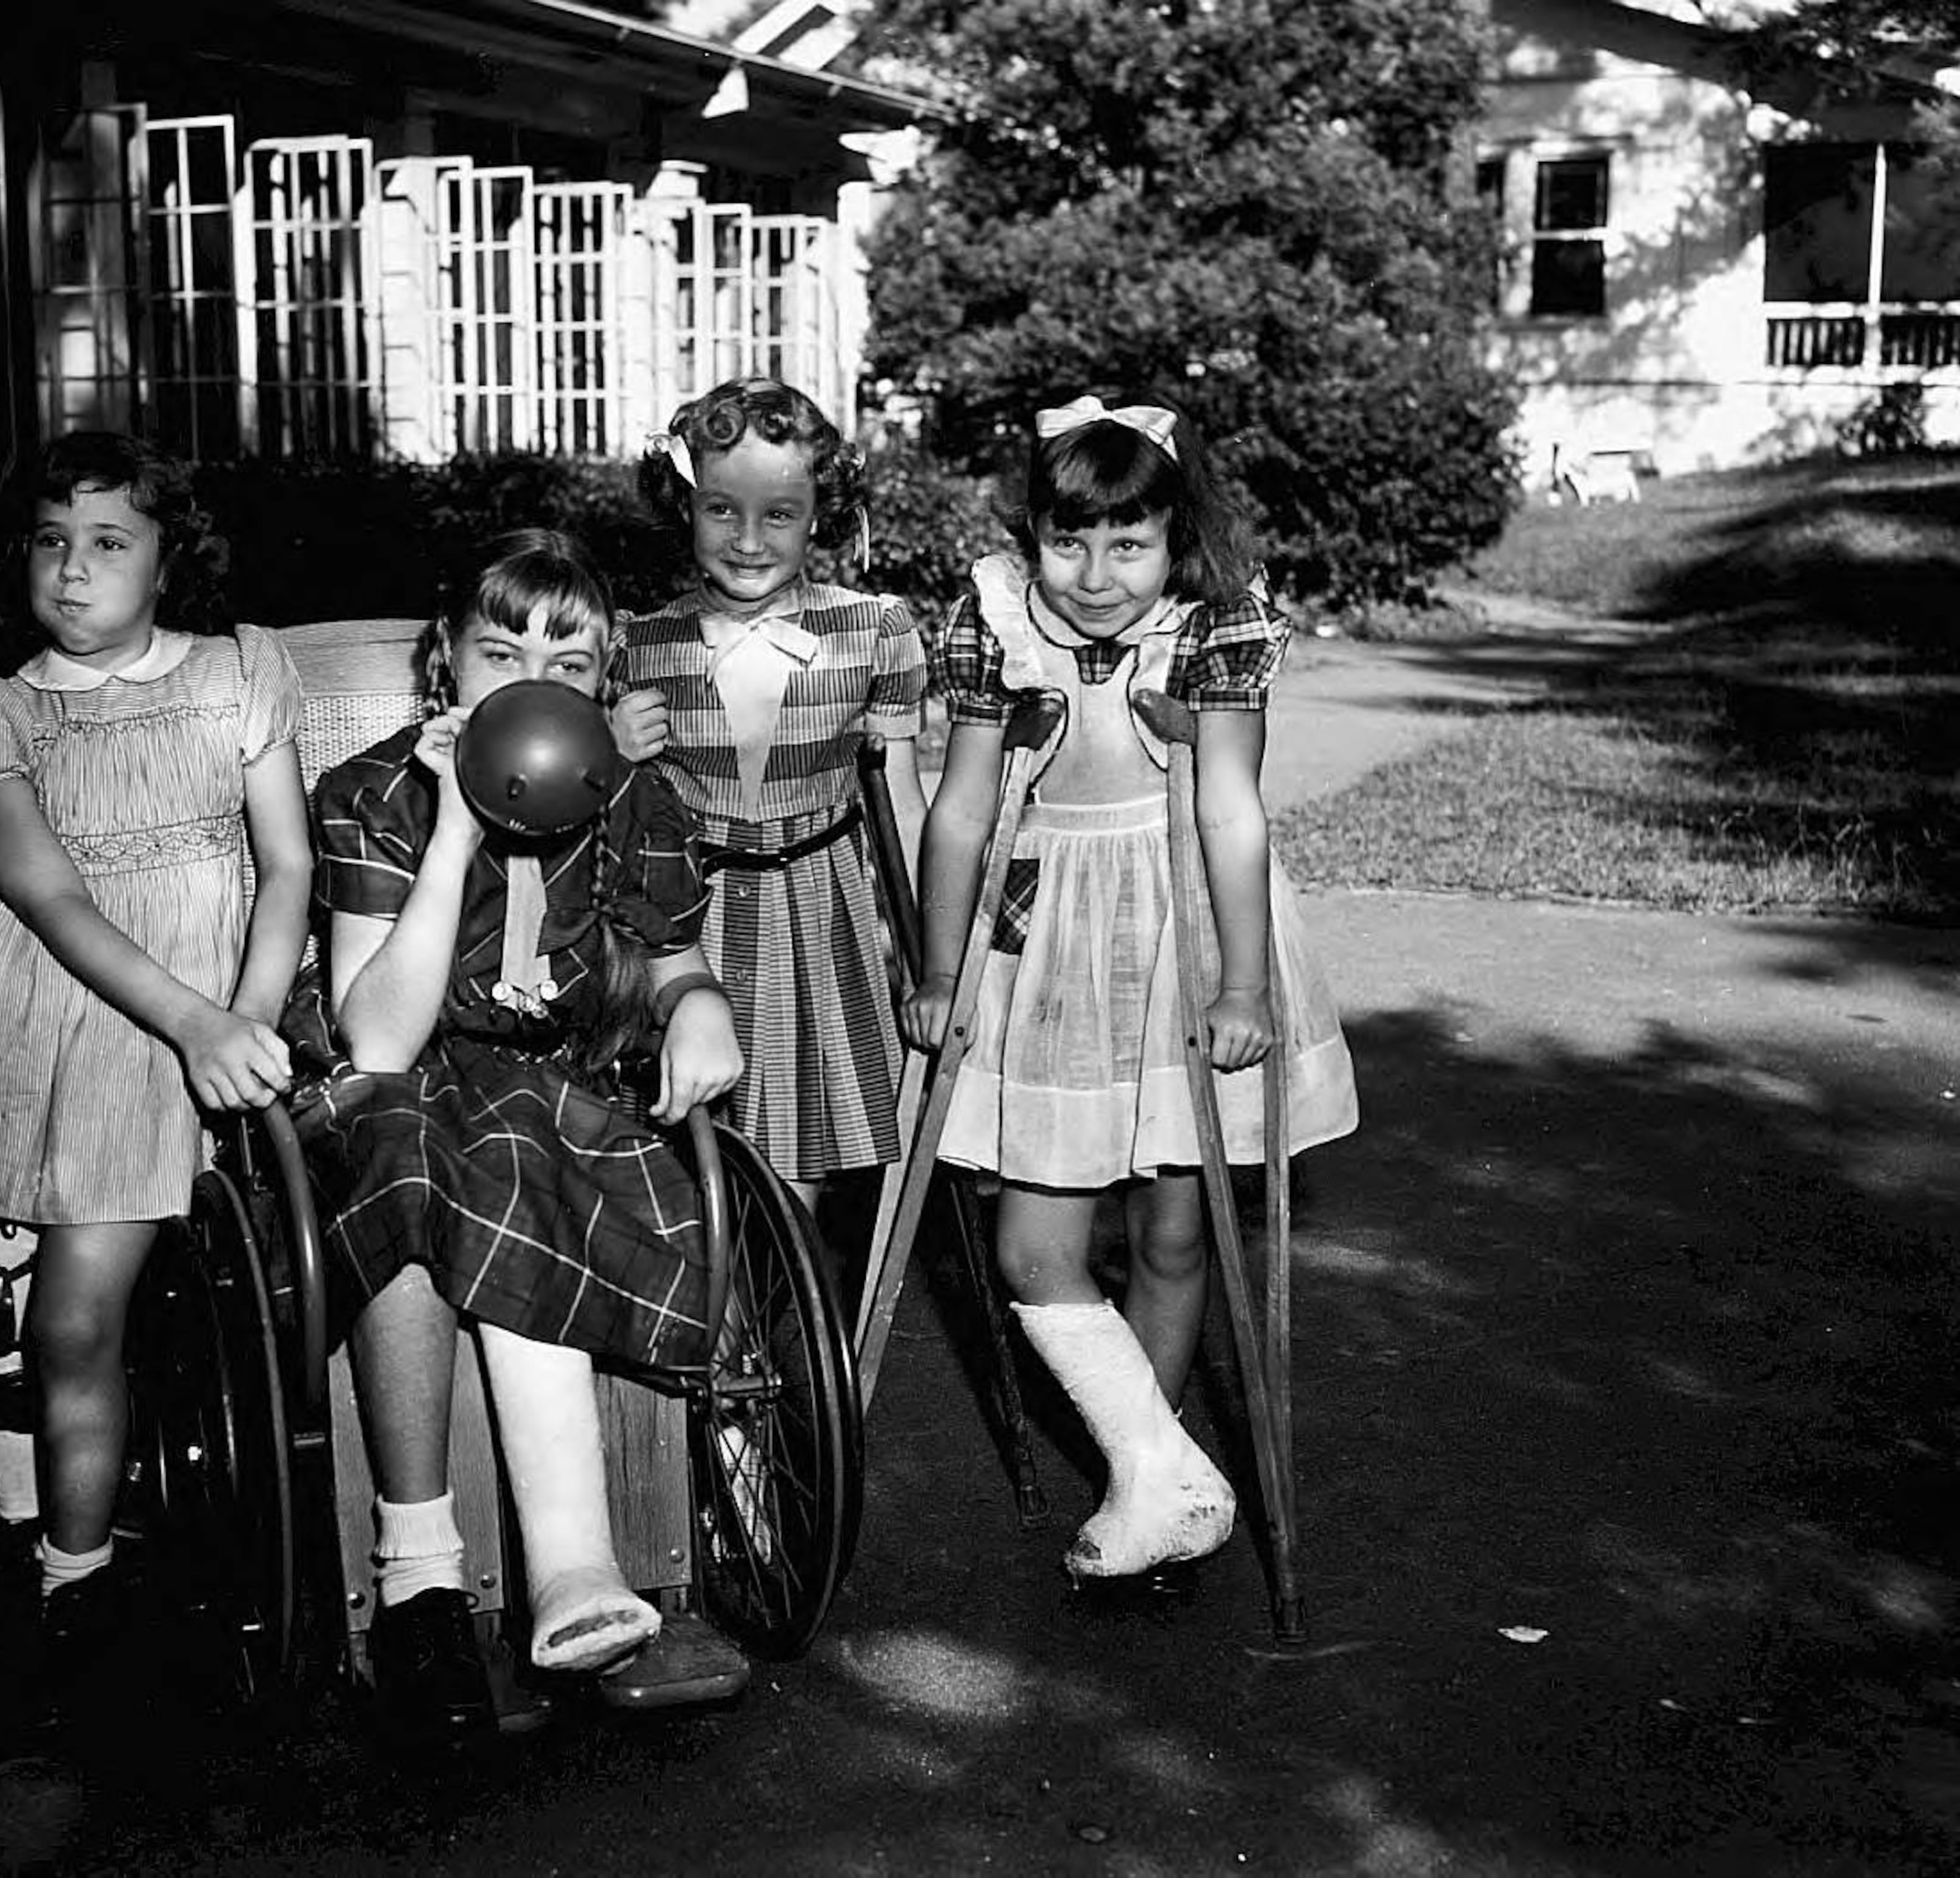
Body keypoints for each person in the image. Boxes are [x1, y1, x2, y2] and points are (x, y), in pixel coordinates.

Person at [285, 529, 745, 1744]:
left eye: (571, 663)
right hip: (404, 1093)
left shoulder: (636, 797)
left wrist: (697, 1005)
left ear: (602, 690)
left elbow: (676, 960)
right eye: (501, 652)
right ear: (448, 665)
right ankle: (421, 1574)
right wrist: (452, 831)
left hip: (568, 1088)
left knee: (523, 1131)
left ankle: (582, 1565)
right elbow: (377, 1037)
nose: (533, 685)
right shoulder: (372, 793)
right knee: (432, 1132)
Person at [902, 395, 1359, 1582]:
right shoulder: (994, 614)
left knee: (1172, 1224)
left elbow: (1231, 804)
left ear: (1173, 535)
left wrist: (1247, 982)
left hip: (1183, 920)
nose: (1097, 575)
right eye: (1070, 541)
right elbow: (959, 810)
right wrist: (940, 968)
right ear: (1033, 530)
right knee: (1033, 1245)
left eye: (1128, 544)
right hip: (1040, 922)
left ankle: (1135, 1487)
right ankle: (1164, 1468)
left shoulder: (1216, 619)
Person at [0, 432, 311, 1676]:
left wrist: (250, 1016)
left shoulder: (238, 677)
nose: (75, 570)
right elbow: (55, 902)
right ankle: (9, 1442)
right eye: (52, 543)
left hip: (177, 1026)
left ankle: (74, 1576)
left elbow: (285, 864)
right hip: (29, 1009)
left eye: (110, 541)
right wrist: (200, 1021)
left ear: (170, 561)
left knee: (76, 1323)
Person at [612, 377, 928, 1208]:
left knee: (793, 1183)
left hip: (812, 920)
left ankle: (777, 1333)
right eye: (722, 510)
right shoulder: (637, 646)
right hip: (687, 921)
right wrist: (611, 752)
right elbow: (596, 815)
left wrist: (935, 964)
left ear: (820, 512)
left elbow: (909, 812)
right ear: (686, 507)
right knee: (673, 1171)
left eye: (779, 514)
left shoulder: (874, 633)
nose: (748, 540)